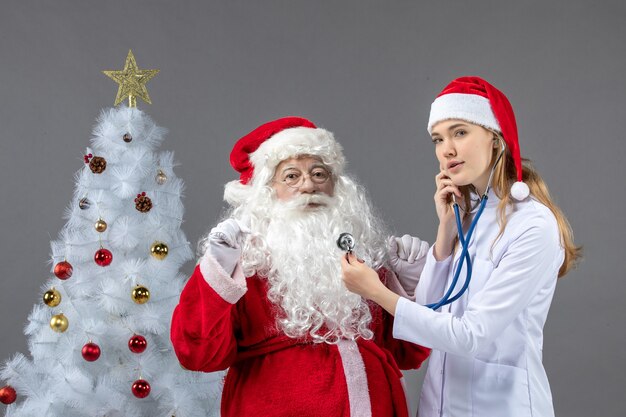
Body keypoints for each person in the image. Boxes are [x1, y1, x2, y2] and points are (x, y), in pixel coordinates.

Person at [341, 76, 581, 417]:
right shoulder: (469, 215)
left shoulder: (533, 225)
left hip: (500, 406)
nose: (446, 150)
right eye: (438, 139)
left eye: (460, 132)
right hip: (440, 404)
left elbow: (472, 336)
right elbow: (428, 314)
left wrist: (377, 291)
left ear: (495, 139)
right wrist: (445, 234)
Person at [170, 117, 430, 417]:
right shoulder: (245, 265)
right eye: (291, 176)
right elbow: (197, 354)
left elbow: (408, 354)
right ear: (267, 192)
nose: (309, 185)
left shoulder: (363, 260)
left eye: (319, 173)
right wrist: (216, 272)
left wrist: (410, 286)